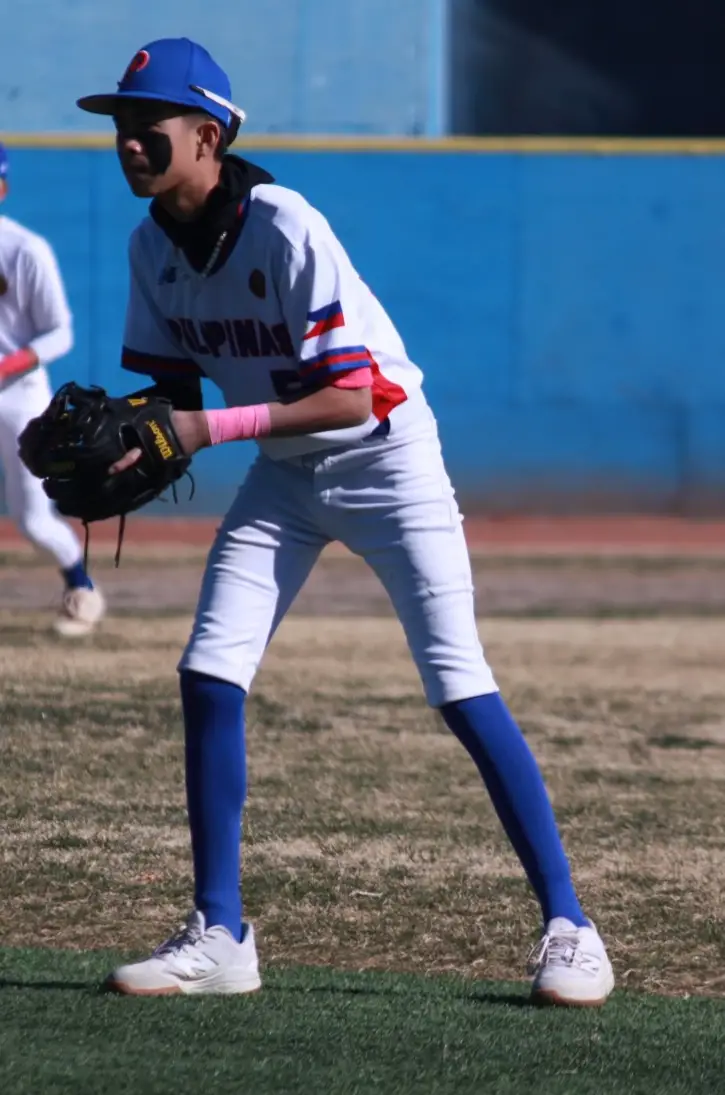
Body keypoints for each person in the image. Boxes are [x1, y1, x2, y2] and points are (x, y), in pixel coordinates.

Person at [75, 37, 614, 1004]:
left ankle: (571, 927)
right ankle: (221, 932)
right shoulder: (150, 246)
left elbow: (349, 399)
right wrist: (117, 447)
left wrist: (197, 428)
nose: (128, 142)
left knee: (457, 682)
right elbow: (169, 402)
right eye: (120, 126)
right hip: (283, 478)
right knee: (208, 671)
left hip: (387, 461)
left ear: (208, 136)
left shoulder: (284, 225)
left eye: (147, 125)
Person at [0, 144, 105, 636]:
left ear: (2, 188)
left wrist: (10, 363)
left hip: (18, 395)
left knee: (32, 520)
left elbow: (60, 333)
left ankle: (82, 589)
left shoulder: (24, 249)